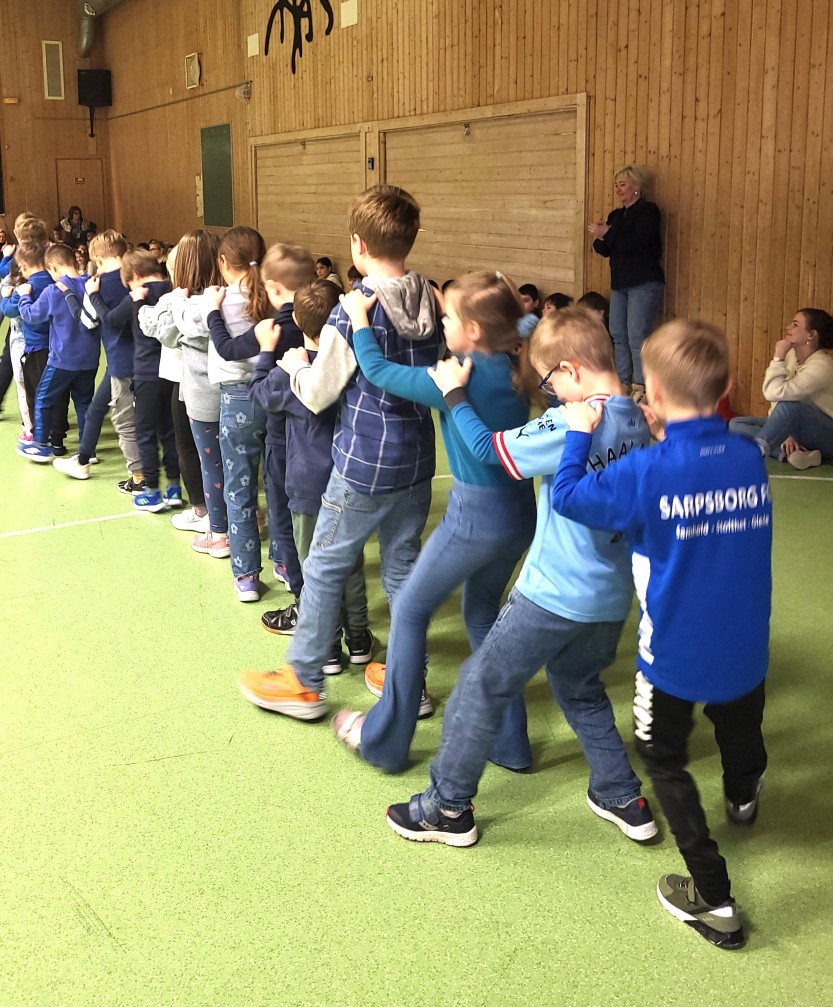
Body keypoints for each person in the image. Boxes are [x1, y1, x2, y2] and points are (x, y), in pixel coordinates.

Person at [384, 306, 656, 846]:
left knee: (479, 686)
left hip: (553, 594)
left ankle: (446, 807)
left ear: (573, 370)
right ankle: (622, 794)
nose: (550, 392)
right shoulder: (637, 418)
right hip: (609, 597)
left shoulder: (571, 419)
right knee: (578, 686)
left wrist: (454, 393)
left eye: (552, 380)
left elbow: (494, 453)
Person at [551, 319, 771, 950]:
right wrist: (670, 435)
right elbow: (702, 480)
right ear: (727, 385)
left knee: (663, 758)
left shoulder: (648, 471)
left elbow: (569, 496)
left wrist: (576, 435)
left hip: (672, 658)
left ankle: (714, 897)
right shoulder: (749, 457)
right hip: (746, 649)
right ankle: (743, 794)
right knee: (739, 726)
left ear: (648, 391)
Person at [237, 183, 442, 717]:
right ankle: (409, 684)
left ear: (357, 244)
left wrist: (291, 364)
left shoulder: (352, 311)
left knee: (325, 564)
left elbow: (317, 393)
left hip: (363, 465)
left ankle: (303, 680)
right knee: (401, 570)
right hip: (418, 461)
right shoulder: (433, 299)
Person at [331, 271, 538, 773]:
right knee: (482, 613)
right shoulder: (516, 354)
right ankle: (509, 743)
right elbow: (524, 320)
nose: (440, 324)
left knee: (409, 612)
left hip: (474, 519)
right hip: (518, 517)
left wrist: (359, 319)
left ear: (471, 330)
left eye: (447, 317)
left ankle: (383, 739)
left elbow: (377, 370)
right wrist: (512, 305)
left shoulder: (455, 375)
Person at [250, 279, 372, 672]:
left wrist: (268, 354)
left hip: (304, 484)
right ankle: (358, 640)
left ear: (298, 323)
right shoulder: (350, 366)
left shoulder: (291, 370)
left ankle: (328, 649)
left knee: (313, 567)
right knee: (349, 562)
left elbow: (259, 394)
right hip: (346, 477)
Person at [201, 233, 310, 602]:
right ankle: (284, 562)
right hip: (286, 399)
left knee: (239, 484)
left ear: (223, 263)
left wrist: (212, 309)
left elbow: (227, 348)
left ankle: (246, 573)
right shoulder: (292, 306)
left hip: (241, 397)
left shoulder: (227, 297)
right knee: (278, 485)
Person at [139, 230, 224, 536]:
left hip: (194, 387)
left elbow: (161, 331)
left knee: (191, 449)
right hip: (226, 389)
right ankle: (224, 513)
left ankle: (205, 512)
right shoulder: (225, 296)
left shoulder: (182, 301)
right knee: (223, 455)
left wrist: (165, 304)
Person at [88, 248, 181, 511]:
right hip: (172, 373)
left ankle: (151, 490)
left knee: (145, 433)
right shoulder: (172, 290)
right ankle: (174, 488)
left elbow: (109, 319)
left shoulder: (136, 297)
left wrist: (94, 296)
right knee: (169, 432)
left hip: (146, 374)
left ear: (135, 276)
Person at [54, 230, 143, 485]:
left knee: (121, 419)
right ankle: (82, 459)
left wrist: (70, 295)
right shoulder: (135, 279)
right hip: (145, 359)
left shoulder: (97, 284)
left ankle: (136, 474)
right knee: (96, 410)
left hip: (119, 362)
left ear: (98, 258)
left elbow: (86, 324)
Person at [16, 243, 99, 462]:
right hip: (90, 359)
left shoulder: (53, 291)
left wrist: (24, 296)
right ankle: (88, 451)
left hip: (62, 359)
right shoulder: (91, 286)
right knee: (84, 403)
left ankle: (41, 444)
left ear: (52, 268)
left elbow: (31, 315)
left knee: (43, 398)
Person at [590, 164, 664, 405]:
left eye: (623, 184)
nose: (619, 190)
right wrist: (600, 235)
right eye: (616, 185)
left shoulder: (648, 212)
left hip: (643, 281)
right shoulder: (616, 215)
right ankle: (622, 382)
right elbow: (605, 249)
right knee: (618, 334)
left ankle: (641, 386)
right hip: (620, 282)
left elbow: (636, 243)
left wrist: (608, 233)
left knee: (636, 335)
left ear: (636, 187)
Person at [729, 308, 833, 470]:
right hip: (799, 425)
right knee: (737, 424)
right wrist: (785, 434)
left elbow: (776, 393)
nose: (788, 328)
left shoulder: (822, 366)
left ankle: (758, 451)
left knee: (790, 407)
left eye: (795, 324)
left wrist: (778, 357)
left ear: (811, 335)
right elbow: (776, 397)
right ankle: (791, 454)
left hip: (827, 433)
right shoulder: (792, 355)